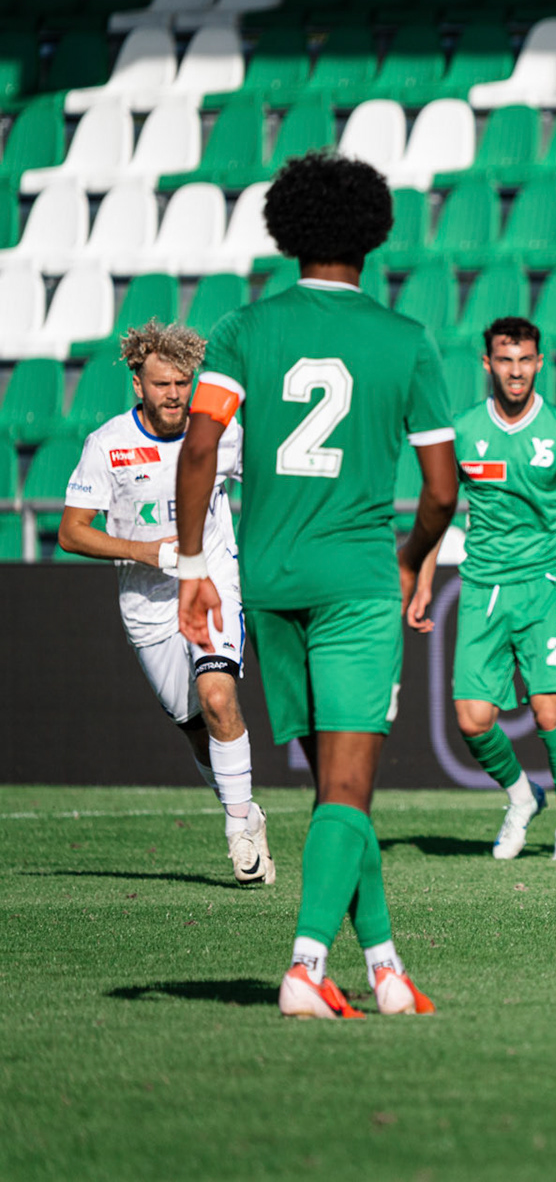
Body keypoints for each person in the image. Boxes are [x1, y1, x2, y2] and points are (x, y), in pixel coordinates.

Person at [175, 151, 459, 1019]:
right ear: (374, 233)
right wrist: (413, 557)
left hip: (268, 581)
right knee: (348, 791)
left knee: (337, 792)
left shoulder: (242, 330)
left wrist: (193, 568)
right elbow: (444, 490)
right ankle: (303, 966)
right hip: (356, 583)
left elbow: (196, 449)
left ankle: (384, 969)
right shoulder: (405, 339)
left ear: (285, 230)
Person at [59, 321, 271, 884]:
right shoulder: (107, 445)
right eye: (161, 384)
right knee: (194, 723)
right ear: (138, 384)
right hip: (147, 604)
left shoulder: (223, 434)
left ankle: (239, 832)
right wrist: (144, 552)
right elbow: (72, 532)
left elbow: (272, 489)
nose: (174, 394)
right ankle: (245, 807)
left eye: (183, 382)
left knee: (218, 695)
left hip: (213, 584)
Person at [405, 316, 556, 861]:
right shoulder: (465, 430)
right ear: (487, 363)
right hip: (481, 589)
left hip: (547, 588)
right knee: (473, 720)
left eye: (525, 360)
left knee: (551, 709)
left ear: (540, 363)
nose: (516, 371)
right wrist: (425, 580)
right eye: (505, 360)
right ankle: (522, 797)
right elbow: (438, 509)